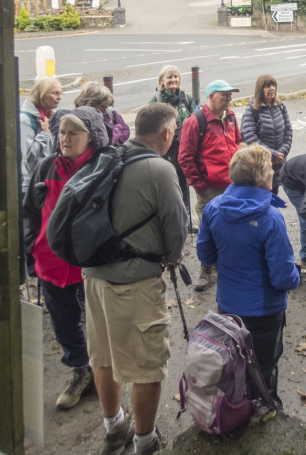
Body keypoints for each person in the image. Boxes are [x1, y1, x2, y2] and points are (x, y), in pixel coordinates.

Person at [84, 103, 187, 455]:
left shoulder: (109, 157)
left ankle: (114, 426)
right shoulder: (160, 169)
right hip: (134, 284)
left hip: (94, 278)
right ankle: (144, 441)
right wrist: (172, 258)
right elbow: (177, 226)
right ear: (167, 133)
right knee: (146, 365)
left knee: (104, 355)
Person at [197, 143, 301, 408]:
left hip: (228, 307)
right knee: (264, 367)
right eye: (270, 170)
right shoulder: (270, 217)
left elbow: (206, 255)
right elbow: (281, 276)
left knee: (234, 363)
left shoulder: (213, 208)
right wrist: (296, 277)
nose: (273, 175)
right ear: (259, 177)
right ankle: (265, 410)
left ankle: (237, 410)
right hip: (265, 311)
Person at [24, 107, 110, 410]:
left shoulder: (103, 168)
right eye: (61, 132)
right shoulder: (48, 167)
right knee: (63, 323)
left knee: (100, 323)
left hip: (91, 264)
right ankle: (81, 369)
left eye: (74, 133)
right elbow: (30, 211)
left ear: (92, 137)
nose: (65, 138)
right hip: (51, 263)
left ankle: (105, 372)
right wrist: (29, 247)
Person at [179, 79, 242, 291]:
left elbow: (238, 143)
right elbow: (185, 157)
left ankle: (225, 264)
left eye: (230, 95)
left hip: (233, 184)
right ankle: (206, 268)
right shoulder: (195, 121)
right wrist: (200, 185)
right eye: (225, 95)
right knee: (209, 228)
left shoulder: (231, 116)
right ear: (212, 96)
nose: (229, 99)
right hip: (209, 187)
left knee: (232, 225)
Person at [19, 77, 63, 281]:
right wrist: (45, 133)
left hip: (41, 180)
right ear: (40, 94)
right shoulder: (25, 119)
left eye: (60, 92)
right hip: (28, 184)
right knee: (32, 229)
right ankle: (32, 271)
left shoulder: (45, 116)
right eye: (54, 92)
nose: (59, 96)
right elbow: (29, 158)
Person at [150, 65, 195, 215]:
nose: (173, 80)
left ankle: (186, 217)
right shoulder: (156, 100)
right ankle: (170, 219)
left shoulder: (186, 99)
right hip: (165, 153)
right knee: (168, 188)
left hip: (184, 152)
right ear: (162, 81)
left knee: (184, 187)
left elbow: (195, 121)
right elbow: (149, 126)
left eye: (176, 77)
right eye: (169, 77)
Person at [241, 75, 292, 195]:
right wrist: (273, 154)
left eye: (274, 85)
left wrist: (282, 153)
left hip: (278, 166)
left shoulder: (280, 106)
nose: (272, 88)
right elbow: (250, 138)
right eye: (268, 86)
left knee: (274, 196)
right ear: (260, 89)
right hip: (261, 166)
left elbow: (288, 131)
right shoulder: (252, 110)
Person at [74, 82, 130, 146]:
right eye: (102, 106)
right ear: (90, 104)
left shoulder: (110, 112)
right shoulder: (77, 121)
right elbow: (101, 143)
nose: (105, 110)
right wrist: (117, 129)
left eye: (107, 106)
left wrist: (114, 141)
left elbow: (126, 130)